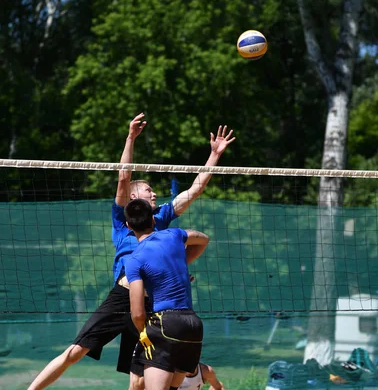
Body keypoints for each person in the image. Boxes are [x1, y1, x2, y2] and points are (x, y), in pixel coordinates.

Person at [27, 114, 235, 390]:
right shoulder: (123, 218)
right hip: (123, 295)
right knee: (74, 352)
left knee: (138, 380)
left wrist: (214, 155)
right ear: (135, 198)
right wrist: (130, 138)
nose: (154, 194)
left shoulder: (161, 220)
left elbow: (195, 189)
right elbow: (124, 176)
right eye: (149, 191)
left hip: (152, 305)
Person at [124, 198, 209, 390]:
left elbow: (137, 313)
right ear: (154, 220)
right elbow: (203, 239)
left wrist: (143, 333)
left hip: (165, 325)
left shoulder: (134, 260)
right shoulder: (174, 235)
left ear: (129, 226)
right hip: (193, 326)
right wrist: (180, 262)